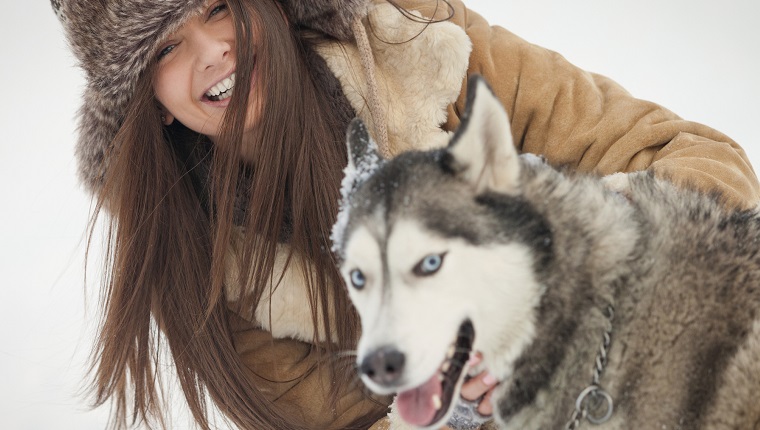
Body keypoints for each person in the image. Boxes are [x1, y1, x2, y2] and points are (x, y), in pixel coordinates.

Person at [51, 0, 759, 429]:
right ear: (146, 96)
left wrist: (572, 273)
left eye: (216, 6)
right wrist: (460, 407)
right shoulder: (203, 268)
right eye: (166, 48)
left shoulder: (421, 51)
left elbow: (696, 158)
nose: (213, 51)